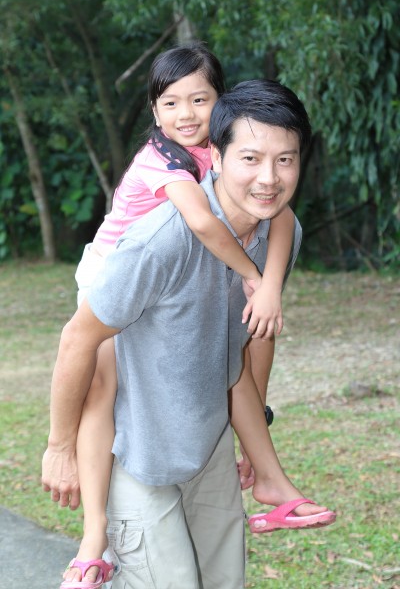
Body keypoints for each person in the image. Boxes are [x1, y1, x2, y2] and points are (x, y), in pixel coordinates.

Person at [42, 78, 336, 589]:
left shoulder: (277, 235)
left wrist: (256, 438)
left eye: (285, 160)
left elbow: (252, 338)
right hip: (138, 460)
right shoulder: (161, 241)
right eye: (250, 159)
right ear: (215, 156)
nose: (269, 178)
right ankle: (94, 543)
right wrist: (60, 446)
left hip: (209, 450)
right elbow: (77, 338)